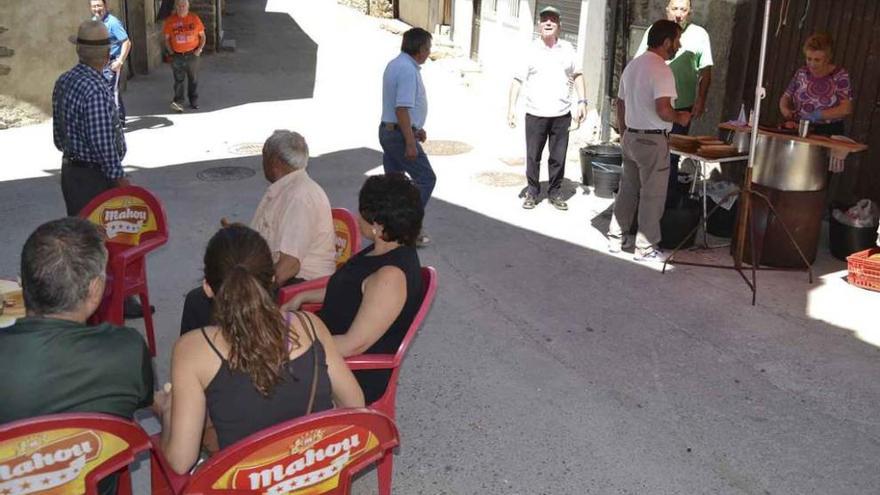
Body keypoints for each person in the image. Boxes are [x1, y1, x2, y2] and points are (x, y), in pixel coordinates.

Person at [155, 225, 363, 474]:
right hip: (312, 481)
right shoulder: (310, 326)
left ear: (208, 288)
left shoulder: (192, 350)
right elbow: (354, 405)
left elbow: (180, 461)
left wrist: (168, 412)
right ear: (273, 279)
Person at [283, 174, 424, 404]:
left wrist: (290, 348)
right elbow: (349, 289)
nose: (358, 217)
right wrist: (303, 295)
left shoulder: (390, 277)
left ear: (378, 225)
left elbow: (354, 344)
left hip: (346, 374)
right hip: (325, 350)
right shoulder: (382, 251)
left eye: (362, 213)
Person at [179, 130, 337, 334]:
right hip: (278, 275)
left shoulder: (300, 197)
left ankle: (213, 359)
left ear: (274, 161)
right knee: (212, 285)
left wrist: (252, 290)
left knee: (199, 301)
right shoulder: (288, 188)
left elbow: (290, 265)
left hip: (298, 284)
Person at [0, 218, 153, 424]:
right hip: (100, 455)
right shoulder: (129, 349)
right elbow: (143, 400)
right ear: (95, 289)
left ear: (22, 282)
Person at [607, 20, 691, 262]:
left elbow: (620, 102)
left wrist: (624, 133)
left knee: (628, 190)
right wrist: (681, 117)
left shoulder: (633, 66)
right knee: (652, 195)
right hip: (653, 140)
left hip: (631, 136)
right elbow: (664, 110)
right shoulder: (662, 70)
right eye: (676, 40)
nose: (679, 45)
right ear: (666, 42)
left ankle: (617, 237)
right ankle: (644, 246)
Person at [507, 5, 587, 211]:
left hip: (561, 114)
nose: (548, 23)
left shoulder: (568, 49)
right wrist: (511, 109)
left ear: (559, 25)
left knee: (558, 157)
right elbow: (517, 80)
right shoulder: (530, 50)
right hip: (536, 114)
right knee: (533, 156)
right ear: (539, 25)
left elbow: (577, 75)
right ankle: (532, 192)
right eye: (544, 20)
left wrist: (582, 101)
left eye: (552, 20)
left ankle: (555, 192)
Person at [635, 0, 712, 205]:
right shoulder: (655, 31)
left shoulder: (699, 35)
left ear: (690, 12)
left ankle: (665, 203)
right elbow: (639, 61)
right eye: (675, 9)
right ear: (667, 10)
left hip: (681, 106)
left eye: (683, 10)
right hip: (654, 105)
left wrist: (701, 99)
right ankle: (648, 200)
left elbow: (706, 71)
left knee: (672, 155)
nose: (679, 14)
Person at [53, 20, 129, 217]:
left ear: (79, 50)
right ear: (106, 55)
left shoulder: (64, 80)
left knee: (80, 234)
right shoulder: (95, 89)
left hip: (71, 172)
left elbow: (59, 137)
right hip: (94, 178)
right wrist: (119, 178)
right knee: (97, 238)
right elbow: (101, 142)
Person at [380, 27, 436, 245]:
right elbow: (401, 108)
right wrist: (410, 142)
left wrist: (414, 129)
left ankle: (388, 228)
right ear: (420, 49)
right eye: (428, 48)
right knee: (426, 178)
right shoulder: (407, 70)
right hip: (398, 136)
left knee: (395, 186)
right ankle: (406, 228)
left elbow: (400, 109)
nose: (429, 52)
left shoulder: (398, 64)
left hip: (392, 131)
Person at [779, 33, 853, 173]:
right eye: (809, 59)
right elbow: (785, 97)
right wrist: (785, 110)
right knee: (793, 172)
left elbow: (846, 108)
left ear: (828, 58)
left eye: (817, 60)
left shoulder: (840, 75)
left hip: (828, 131)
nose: (812, 64)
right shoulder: (801, 73)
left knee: (816, 175)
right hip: (801, 129)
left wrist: (818, 115)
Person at [91, 0, 132, 127]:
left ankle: (116, 123)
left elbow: (126, 42)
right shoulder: (94, 21)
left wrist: (120, 61)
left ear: (105, 6)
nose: (96, 8)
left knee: (110, 92)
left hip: (112, 63)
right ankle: (117, 119)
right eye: (94, 6)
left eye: (99, 5)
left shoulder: (113, 22)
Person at [163, 0, 205, 112]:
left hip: (192, 54)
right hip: (177, 55)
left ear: (188, 6)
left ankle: (193, 100)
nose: (182, 7)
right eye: (179, 5)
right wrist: (171, 53)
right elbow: (166, 39)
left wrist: (199, 49)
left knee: (193, 79)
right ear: (176, 7)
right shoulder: (170, 21)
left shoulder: (194, 18)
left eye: (184, 5)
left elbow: (203, 36)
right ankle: (179, 102)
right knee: (178, 80)